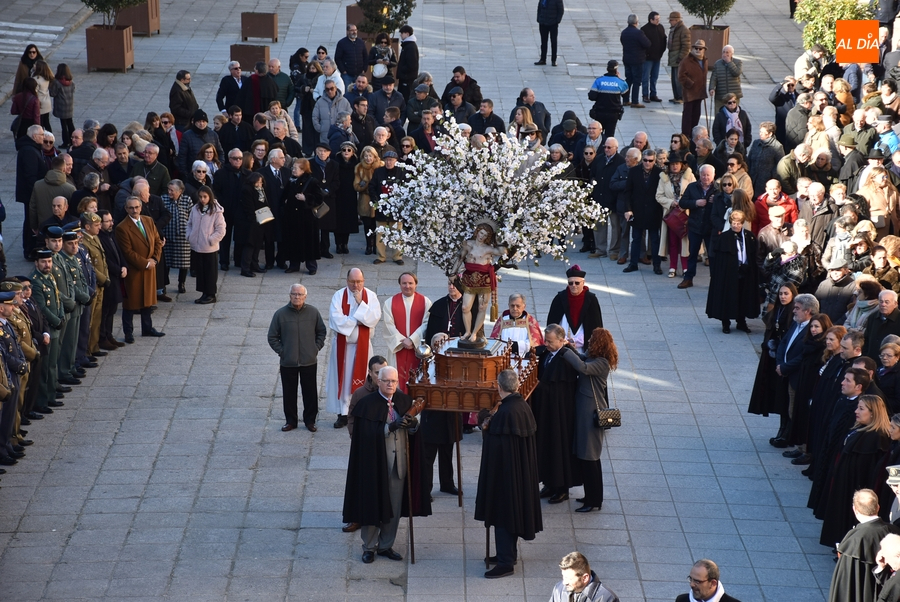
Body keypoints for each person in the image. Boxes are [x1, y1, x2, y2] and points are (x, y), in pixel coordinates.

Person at [341, 365, 430, 563]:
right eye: (387, 381)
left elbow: (413, 432)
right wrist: (389, 427)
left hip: (399, 465)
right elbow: (364, 435)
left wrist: (414, 426)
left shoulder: (404, 401)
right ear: (377, 381)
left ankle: (386, 545)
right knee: (373, 505)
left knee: (395, 508)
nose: (390, 385)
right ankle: (369, 547)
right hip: (375, 465)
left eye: (394, 381)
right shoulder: (367, 404)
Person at [474, 369, 542, 579]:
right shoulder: (522, 407)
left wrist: (484, 420)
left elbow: (495, 444)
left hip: (505, 477)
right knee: (508, 517)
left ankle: (506, 562)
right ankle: (507, 554)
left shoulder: (505, 413)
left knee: (503, 516)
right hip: (517, 474)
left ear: (499, 387)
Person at [820, 395, 892, 549]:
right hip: (845, 482)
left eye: (861, 408)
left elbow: (869, 469)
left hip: (855, 485)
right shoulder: (860, 429)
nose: (856, 411)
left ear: (873, 413)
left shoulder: (877, 437)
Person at [558, 328, 618, 513]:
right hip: (584, 410)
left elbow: (583, 367)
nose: (589, 340)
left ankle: (594, 501)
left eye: (592, 339)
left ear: (599, 342)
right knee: (586, 457)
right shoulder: (595, 358)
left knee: (590, 457)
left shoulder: (602, 363)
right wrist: (570, 347)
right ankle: (591, 496)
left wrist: (564, 350)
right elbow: (582, 358)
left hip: (590, 413)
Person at [268, 284, 326, 433]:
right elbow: (272, 336)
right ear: (289, 296)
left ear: (305, 296)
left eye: (300, 294)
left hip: (309, 361)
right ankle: (291, 421)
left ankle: (310, 421)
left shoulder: (313, 312)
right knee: (289, 392)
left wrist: (315, 349)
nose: (297, 297)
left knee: (310, 392)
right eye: (294, 294)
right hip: (288, 362)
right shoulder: (280, 314)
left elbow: (321, 332)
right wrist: (283, 352)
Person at [327, 268, 381, 428]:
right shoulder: (338, 296)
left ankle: (360, 412)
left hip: (362, 347)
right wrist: (358, 320)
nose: (356, 285)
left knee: (364, 377)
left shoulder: (370, 296)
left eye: (359, 282)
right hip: (342, 349)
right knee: (342, 380)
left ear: (363, 281)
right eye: (352, 281)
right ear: (347, 281)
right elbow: (335, 319)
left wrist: (360, 304)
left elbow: (374, 318)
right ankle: (343, 414)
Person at [828, 488, 897, 602]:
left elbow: (845, 584)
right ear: (878, 507)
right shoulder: (895, 531)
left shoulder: (855, 539)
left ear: (855, 509)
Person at [115, 197, 164, 342]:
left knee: (147, 301)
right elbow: (127, 252)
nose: (134, 210)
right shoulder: (122, 227)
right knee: (131, 303)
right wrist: (145, 263)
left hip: (150, 268)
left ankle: (147, 328)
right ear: (126, 209)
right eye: (131, 208)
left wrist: (155, 259)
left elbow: (157, 241)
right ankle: (128, 332)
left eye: (136, 207)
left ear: (141, 207)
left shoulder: (148, 221)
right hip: (135, 271)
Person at [706, 210, 759, 333]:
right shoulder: (724, 238)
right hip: (729, 274)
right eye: (733, 223)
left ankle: (741, 321)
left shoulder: (749, 236)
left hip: (745, 273)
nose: (736, 226)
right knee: (727, 296)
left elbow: (753, 254)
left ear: (742, 223)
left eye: (738, 223)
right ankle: (726, 323)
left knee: (743, 297)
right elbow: (720, 260)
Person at [454, 221, 506, 344]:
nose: (481, 236)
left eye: (485, 235)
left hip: (484, 280)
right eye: (480, 233)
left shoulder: (489, 249)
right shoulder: (468, 244)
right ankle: (467, 331)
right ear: (477, 232)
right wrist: (453, 273)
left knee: (482, 307)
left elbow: (503, 251)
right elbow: (460, 258)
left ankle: (474, 333)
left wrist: (498, 238)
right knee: (465, 307)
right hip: (469, 279)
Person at [382, 272, 432, 394]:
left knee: (417, 379)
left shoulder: (425, 302)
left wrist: (413, 339)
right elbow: (388, 325)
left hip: (417, 349)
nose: (407, 286)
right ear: (399, 284)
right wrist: (402, 340)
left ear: (416, 284)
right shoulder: (389, 303)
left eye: (410, 283)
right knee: (396, 379)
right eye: (404, 283)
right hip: (398, 347)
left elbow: (427, 323)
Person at [623, 149, 663, 274]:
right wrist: (628, 209)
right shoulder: (634, 171)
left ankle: (657, 265)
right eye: (645, 160)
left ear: (654, 161)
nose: (647, 163)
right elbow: (628, 191)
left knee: (655, 240)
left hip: (654, 211)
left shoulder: (660, 173)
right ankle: (633, 263)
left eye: (650, 161)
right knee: (636, 238)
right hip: (637, 211)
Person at [185, 186, 225, 304]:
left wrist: (211, 240)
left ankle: (211, 294)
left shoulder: (216, 211)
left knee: (210, 271)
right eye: (201, 197)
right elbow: (189, 223)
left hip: (209, 248)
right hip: (197, 246)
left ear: (210, 196)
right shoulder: (195, 209)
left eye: (205, 197)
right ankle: (204, 293)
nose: (202, 199)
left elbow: (221, 229)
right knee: (200, 272)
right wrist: (190, 236)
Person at [160, 180, 191, 295]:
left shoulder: (187, 200)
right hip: (167, 234)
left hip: (182, 236)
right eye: (168, 189)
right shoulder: (163, 199)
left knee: (184, 262)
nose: (169, 192)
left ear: (180, 191)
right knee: (166, 262)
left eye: (172, 190)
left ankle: (181, 283)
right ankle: (163, 285)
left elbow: (191, 215)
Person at [549, 552, 619, 601]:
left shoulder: (607, 598)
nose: (564, 582)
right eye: (564, 577)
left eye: (569, 578)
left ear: (585, 578)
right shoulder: (559, 589)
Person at [678, 39, 708, 138]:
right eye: (696, 48)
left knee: (696, 114)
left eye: (700, 48)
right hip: (690, 93)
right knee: (687, 115)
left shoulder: (704, 60)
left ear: (704, 50)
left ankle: (693, 133)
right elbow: (681, 76)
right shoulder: (686, 61)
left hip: (699, 92)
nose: (698, 50)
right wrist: (691, 84)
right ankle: (686, 135)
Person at [619, 15, 651, 108]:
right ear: (636, 22)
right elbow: (647, 44)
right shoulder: (638, 33)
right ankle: (635, 101)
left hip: (627, 59)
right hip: (637, 59)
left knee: (628, 79)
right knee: (637, 80)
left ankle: (625, 100)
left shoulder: (624, 32)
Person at [676, 559, 742, 602]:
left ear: (713, 583)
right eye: (691, 579)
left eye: (697, 581)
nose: (692, 584)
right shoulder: (681, 600)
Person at [865, 290, 900, 364]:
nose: (883, 304)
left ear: (895, 304)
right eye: (881, 301)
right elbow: (866, 339)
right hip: (871, 361)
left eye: (887, 302)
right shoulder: (873, 317)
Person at [640, 12, 665, 103]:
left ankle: (653, 94)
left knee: (654, 77)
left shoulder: (660, 27)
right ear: (651, 20)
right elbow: (642, 44)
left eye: (659, 19)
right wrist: (646, 54)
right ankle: (645, 95)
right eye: (656, 19)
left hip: (657, 57)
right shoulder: (644, 29)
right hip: (647, 58)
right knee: (645, 77)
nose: (658, 21)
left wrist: (661, 52)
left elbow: (663, 40)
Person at [535, 0, 564, 67]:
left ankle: (553, 60)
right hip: (543, 23)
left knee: (553, 42)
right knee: (543, 42)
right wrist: (539, 19)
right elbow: (539, 8)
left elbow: (560, 10)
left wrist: (557, 21)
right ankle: (543, 59)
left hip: (553, 23)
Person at [396, 26, 419, 99]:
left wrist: (402, 69)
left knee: (405, 97)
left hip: (407, 79)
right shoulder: (407, 45)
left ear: (407, 34)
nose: (400, 35)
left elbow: (412, 64)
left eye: (402, 33)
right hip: (405, 78)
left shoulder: (410, 47)